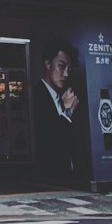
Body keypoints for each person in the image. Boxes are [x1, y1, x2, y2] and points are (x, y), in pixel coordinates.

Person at [32, 36, 81, 186]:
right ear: (47, 64)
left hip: (69, 179)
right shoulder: (36, 96)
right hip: (48, 180)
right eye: (61, 66)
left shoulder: (66, 97)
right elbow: (50, 141)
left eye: (69, 68)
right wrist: (67, 113)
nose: (66, 74)